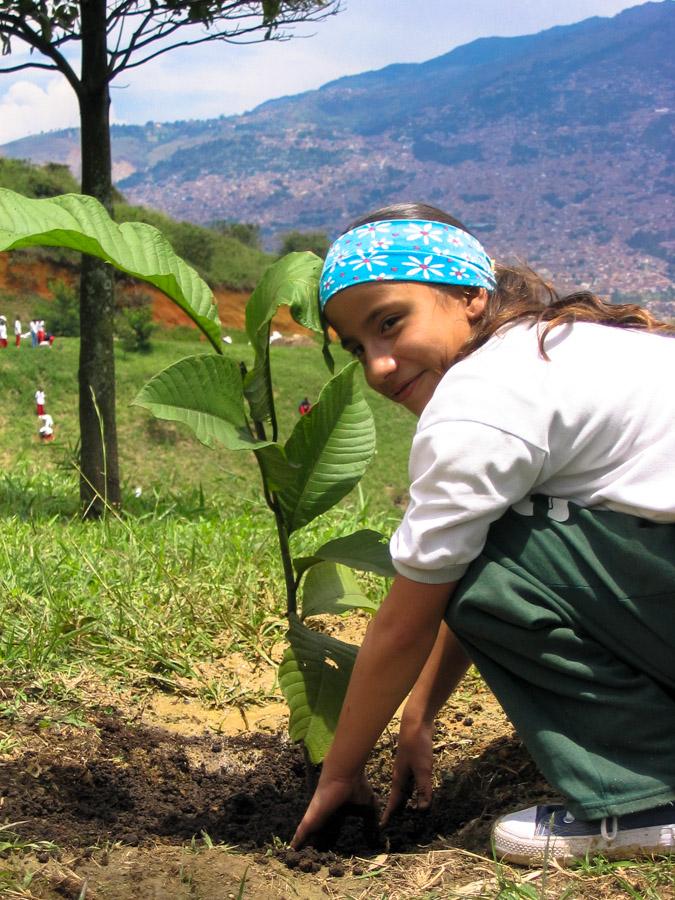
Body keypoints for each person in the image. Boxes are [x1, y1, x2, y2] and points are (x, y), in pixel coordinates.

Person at [292, 202, 675, 864]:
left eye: (390, 323)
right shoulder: (549, 347)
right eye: (357, 347)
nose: (378, 365)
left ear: (470, 294)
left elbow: (411, 617)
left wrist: (339, 775)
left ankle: (644, 803)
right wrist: (419, 713)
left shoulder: (478, 400)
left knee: (466, 563)